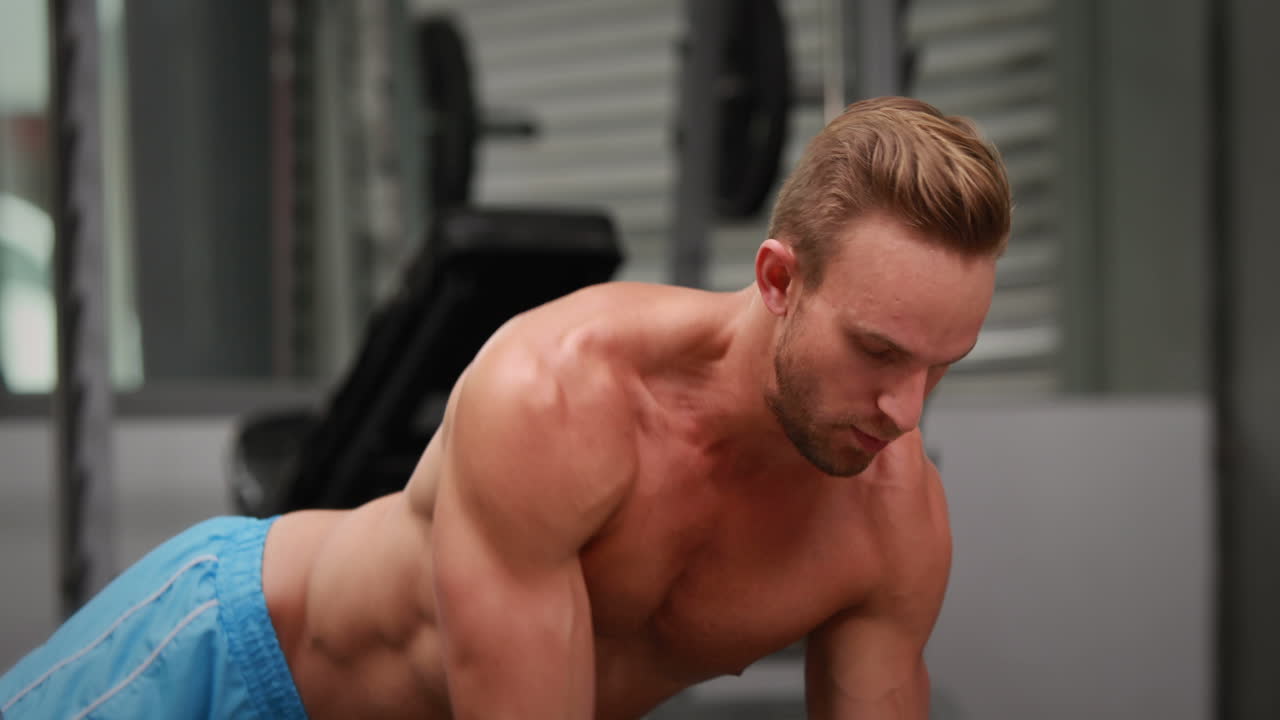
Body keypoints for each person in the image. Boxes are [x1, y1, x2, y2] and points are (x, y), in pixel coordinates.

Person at [0, 95, 1010, 719]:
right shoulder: (560, 399)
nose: (903, 410)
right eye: (876, 351)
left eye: (941, 364)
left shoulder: (890, 525)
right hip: (234, 670)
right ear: (778, 279)